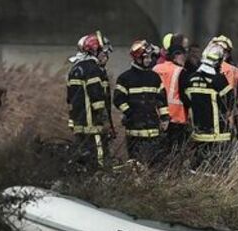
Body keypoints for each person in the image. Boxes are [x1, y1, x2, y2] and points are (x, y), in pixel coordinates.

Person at [113, 40, 169, 166]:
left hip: (153, 130)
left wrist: (165, 118)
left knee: (155, 164)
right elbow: (118, 99)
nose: (149, 60)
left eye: (150, 57)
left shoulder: (154, 77)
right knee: (136, 165)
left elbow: (161, 99)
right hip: (134, 131)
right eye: (146, 57)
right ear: (137, 58)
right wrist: (130, 113)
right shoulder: (125, 78)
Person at [181, 43, 235, 168]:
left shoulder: (191, 79)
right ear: (217, 62)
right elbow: (230, 100)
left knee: (199, 166)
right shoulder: (219, 79)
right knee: (217, 168)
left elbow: (186, 100)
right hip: (218, 134)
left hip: (199, 132)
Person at [66, 31, 113, 169]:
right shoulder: (93, 69)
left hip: (80, 124)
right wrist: (104, 121)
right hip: (93, 125)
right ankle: (99, 181)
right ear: (94, 51)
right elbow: (97, 97)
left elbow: (70, 99)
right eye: (104, 52)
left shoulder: (75, 69)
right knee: (99, 158)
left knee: (83, 157)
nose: (106, 56)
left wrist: (73, 121)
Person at [153, 34, 190, 158]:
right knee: (175, 153)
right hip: (177, 117)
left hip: (156, 116)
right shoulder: (180, 71)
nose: (185, 58)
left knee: (159, 153)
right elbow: (186, 97)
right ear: (176, 56)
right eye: (183, 55)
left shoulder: (156, 68)